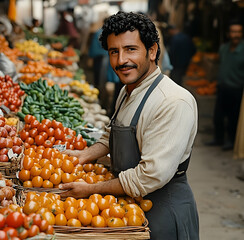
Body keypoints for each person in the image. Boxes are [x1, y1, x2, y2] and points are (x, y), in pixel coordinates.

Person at [60, 12, 199, 239]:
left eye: (131, 49)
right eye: (114, 51)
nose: (121, 60)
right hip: (131, 210)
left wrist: (90, 190)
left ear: (152, 51)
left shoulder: (173, 102)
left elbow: (149, 176)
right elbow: (112, 133)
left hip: (163, 212)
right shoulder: (128, 91)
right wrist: (84, 155)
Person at [206, 21, 244, 151]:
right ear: (229, 34)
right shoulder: (223, 48)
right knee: (218, 116)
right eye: (233, 32)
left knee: (233, 118)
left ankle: (231, 140)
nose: (236, 35)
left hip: (237, 88)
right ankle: (218, 138)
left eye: (238, 32)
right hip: (222, 87)